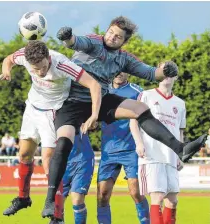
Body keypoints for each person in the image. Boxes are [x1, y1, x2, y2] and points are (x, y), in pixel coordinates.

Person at [42, 16, 207, 218]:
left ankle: (180, 148)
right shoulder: (94, 41)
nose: (112, 37)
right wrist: (67, 37)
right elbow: (75, 42)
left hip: (99, 101)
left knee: (139, 108)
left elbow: (149, 73)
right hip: (72, 101)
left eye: (118, 37)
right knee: (63, 143)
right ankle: (50, 200)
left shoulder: (123, 58)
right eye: (110, 32)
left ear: (124, 41)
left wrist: (164, 71)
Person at [0, 40, 101, 220]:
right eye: (35, 69)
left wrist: (94, 114)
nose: (40, 72)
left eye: (43, 67)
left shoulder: (62, 64)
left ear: (48, 58)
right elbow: (8, 59)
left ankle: (56, 212)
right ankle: (23, 198)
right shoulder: (24, 56)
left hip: (52, 111)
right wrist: (6, 70)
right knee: (23, 155)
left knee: (48, 160)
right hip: (32, 108)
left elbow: (93, 84)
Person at [130, 70, 186, 224]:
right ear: (158, 75)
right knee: (158, 196)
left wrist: (180, 154)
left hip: (171, 156)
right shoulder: (146, 95)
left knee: (172, 200)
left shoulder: (180, 103)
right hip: (152, 154)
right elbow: (133, 121)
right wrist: (139, 143)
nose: (168, 75)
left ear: (176, 76)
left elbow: (180, 131)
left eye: (171, 72)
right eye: (164, 71)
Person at [97, 73, 149, 224]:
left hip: (131, 149)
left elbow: (147, 118)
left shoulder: (137, 92)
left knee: (135, 192)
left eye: (123, 69)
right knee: (102, 194)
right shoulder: (102, 89)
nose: (119, 73)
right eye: (116, 70)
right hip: (108, 150)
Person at [52, 134, 94, 224]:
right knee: (57, 202)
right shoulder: (49, 120)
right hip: (62, 161)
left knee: (77, 199)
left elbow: (93, 123)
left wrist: (91, 122)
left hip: (82, 159)